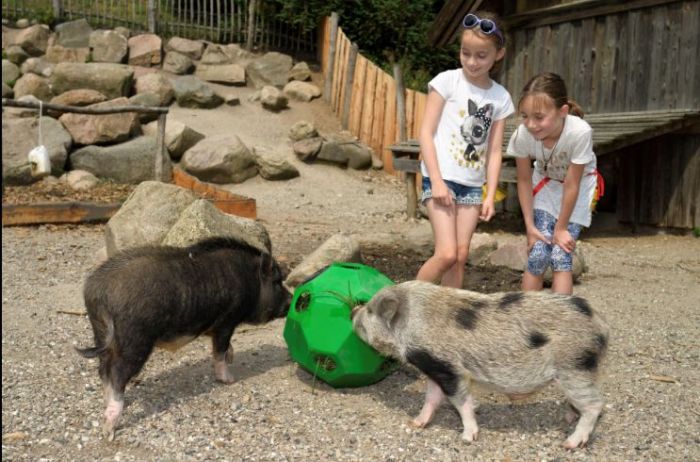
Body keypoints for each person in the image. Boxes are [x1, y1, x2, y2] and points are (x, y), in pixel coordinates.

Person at [416, 11, 514, 288]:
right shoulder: (447, 81)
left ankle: (451, 319)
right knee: (446, 253)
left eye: (481, 55)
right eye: (466, 53)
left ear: (498, 54)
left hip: (471, 186)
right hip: (441, 179)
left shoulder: (500, 98)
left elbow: (495, 151)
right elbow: (426, 132)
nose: (472, 61)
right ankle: (401, 304)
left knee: (459, 256)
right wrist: (435, 180)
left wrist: (490, 193)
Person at [507, 72, 604, 295]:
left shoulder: (579, 132)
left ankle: (561, 323)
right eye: (525, 116)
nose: (531, 124)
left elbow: (572, 184)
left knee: (561, 253)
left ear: (563, 112)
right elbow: (523, 180)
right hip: (546, 183)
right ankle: (525, 320)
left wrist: (560, 229)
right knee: (539, 252)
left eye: (539, 117)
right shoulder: (523, 134)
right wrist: (530, 227)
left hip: (578, 189)